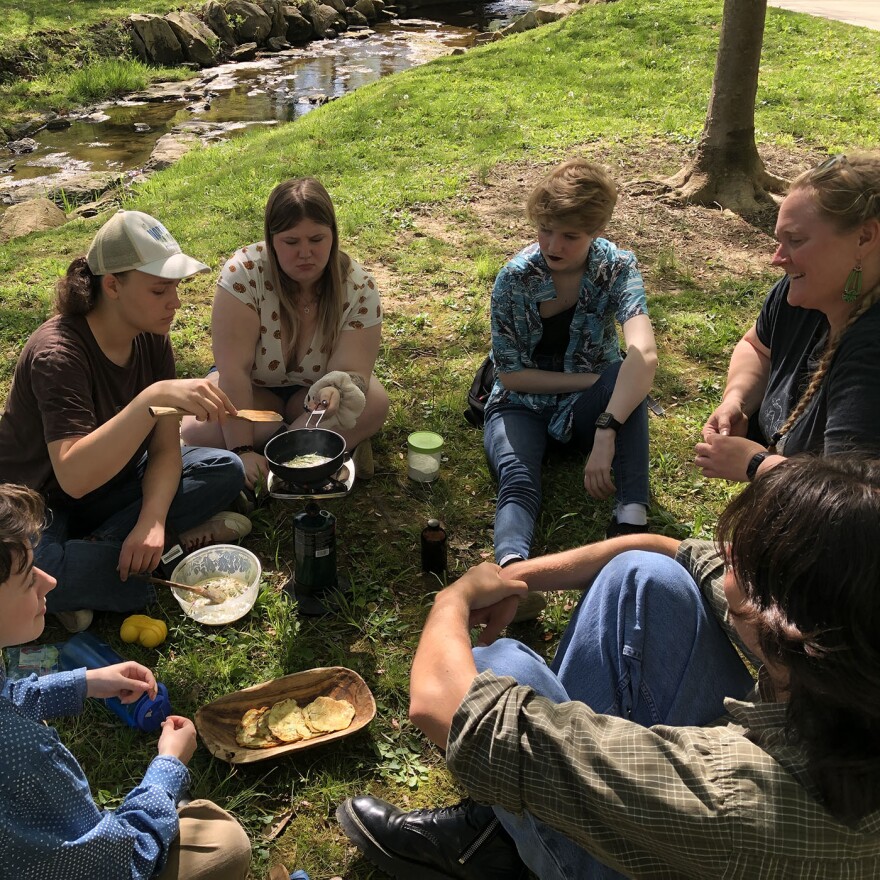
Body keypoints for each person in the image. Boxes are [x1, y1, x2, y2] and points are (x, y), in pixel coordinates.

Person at [337, 454, 880, 879]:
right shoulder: (845, 650)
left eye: (748, 554)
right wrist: (510, 578)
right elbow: (672, 550)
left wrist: (451, 602)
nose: (727, 552)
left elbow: (446, 706)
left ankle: (506, 842)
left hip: (717, 835)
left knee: (499, 663)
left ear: (781, 621)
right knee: (644, 577)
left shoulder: (730, 793)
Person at [0, 210, 250, 632]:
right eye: (159, 290)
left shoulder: (152, 336)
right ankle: (166, 553)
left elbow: (167, 448)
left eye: (175, 287)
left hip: (112, 483)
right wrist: (151, 398)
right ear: (112, 285)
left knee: (225, 468)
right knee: (33, 567)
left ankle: (104, 568)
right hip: (38, 502)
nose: (175, 302)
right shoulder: (58, 355)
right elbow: (73, 476)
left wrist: (152, 519)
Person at [0, 482, 251, 879]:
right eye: (30, 578)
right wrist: (166, 769)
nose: (50, 582)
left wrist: (84, 682)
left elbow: (8, 696)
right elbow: (115, 864)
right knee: (226, 844)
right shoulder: (22, 754)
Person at [482, 158, 657, 572]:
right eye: (545, 229)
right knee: (519, 478)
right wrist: (595, 381)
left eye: (570, 236)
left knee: (627, 376)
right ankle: (512, 569)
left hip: (587, 409)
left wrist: (607, 426)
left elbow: (644, 354)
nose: (553, 245)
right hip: (519, 403)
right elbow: (511, 375)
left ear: (596, 231)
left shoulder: (616, 267)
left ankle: (630, 524)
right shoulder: (514, 278)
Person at [180, 177, 389, 488]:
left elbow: (354, 371)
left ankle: (283, 448)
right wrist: (243, 448)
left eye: (317, 239)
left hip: (312, 398)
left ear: (333, 235)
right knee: (196, 429)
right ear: (271, 239)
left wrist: (335, 389)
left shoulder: (358, 286)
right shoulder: (243, 275)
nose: (305, 253)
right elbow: (233, 373)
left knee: (374, 402)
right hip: (252, 392)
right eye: (291, 242)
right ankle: (324, 448)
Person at [696, 151, 880, 483]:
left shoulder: (871, 351)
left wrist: (756, 465)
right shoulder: (802, 294)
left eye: (795, 241)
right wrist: (737, 399)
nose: (777, 259)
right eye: (780, 240)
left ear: (864, 237)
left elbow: (854, 495)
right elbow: (756, 347)